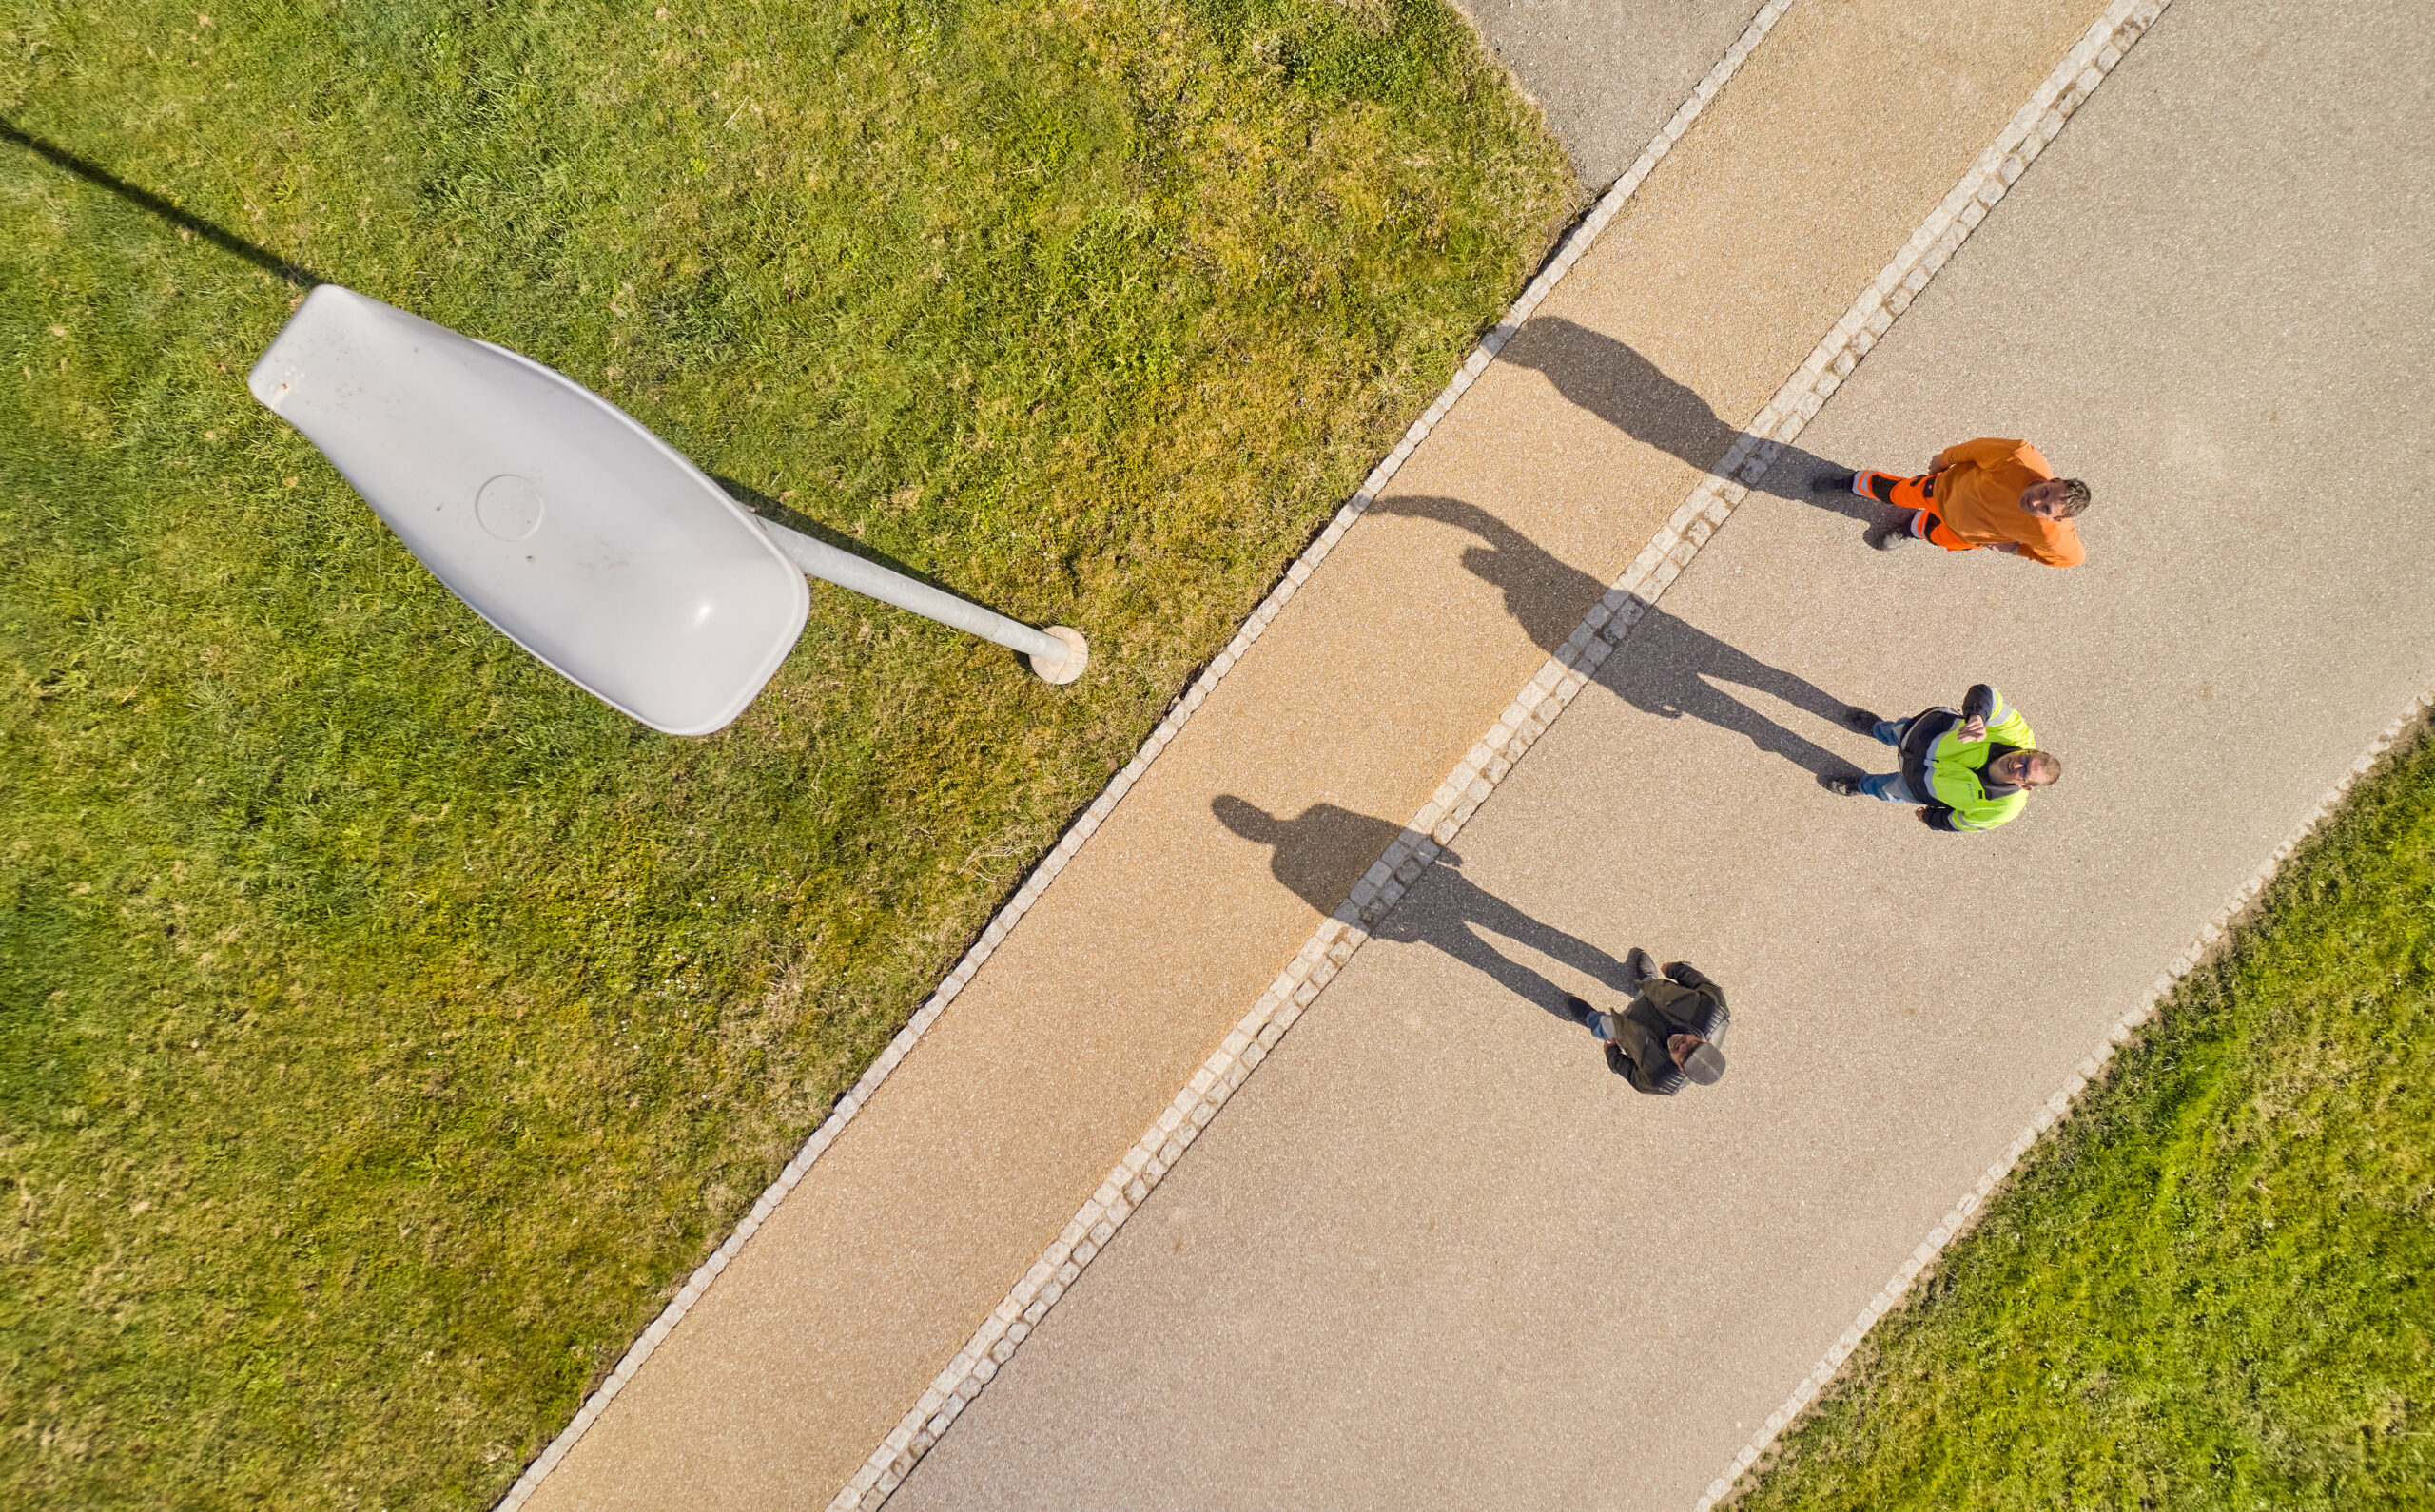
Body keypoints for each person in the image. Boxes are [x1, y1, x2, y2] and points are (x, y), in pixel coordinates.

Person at [1813, 438, 2089, 566]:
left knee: (1935, 535)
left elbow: (2072, 559)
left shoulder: (2053, 537)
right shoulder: (2018, 456)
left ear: (2056, 519)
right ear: (2054, 480)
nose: (2036, 500)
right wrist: (1945, 459)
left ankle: (1913, 528)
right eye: (2045, 491)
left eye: (2046, 508)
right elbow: (1975, 449)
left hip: (1964, 534)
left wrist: (2015, 550)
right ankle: (1852, 482)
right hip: (1941, 490)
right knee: (1894, 492)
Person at [1828, 683, 2059, 832]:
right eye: (2027, 758)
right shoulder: (2016, 734)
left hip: (1916, 786)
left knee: (1887, 789)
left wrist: (1930, 818)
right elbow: (1986, 693)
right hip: (1922, 735)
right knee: (1895, 731)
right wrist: (1977, 716)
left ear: (2025, 786)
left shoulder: (2004, 808)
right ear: (2031, 748)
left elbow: (1962, 822)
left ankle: (1861, 785)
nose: (2017, 764)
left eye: (2024, 772)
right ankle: (1876, 727)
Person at [1564, 950, 1727, 1094]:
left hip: (1629, 1033)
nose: (1682, 1046)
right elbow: (1702, 984)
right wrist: (1674, 969)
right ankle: (1648, 981)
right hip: (1661, 998)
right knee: (1652, 987)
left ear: (1681, 1069)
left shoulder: (1661, 1080)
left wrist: (1612, 1053)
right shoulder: (1714, 1010)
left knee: (1603, 1026)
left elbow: (1633, 1076)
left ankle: (1589, 1018)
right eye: (1693, 1045)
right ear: (1706, 1041)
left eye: (1684, 1056)